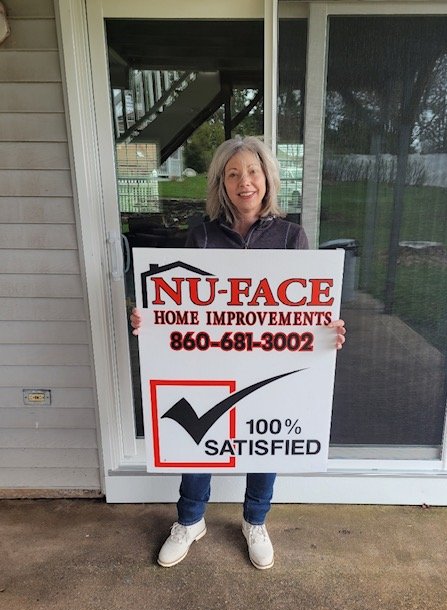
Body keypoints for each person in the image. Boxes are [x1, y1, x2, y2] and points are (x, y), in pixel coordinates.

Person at [130, 136, 346, 570]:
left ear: (267, 177)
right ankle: (190, 520)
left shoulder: (291, 236)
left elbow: (306, 308)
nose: (244, 182)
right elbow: (181, 302)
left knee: (268, 438)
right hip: (211, 360)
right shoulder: (202, 235)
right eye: (232, 174)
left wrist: (327, 330)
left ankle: (255, 521)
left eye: (252, 171)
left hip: (271, 360)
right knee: (197, 436)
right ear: (221, 183)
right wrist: (150, 320)